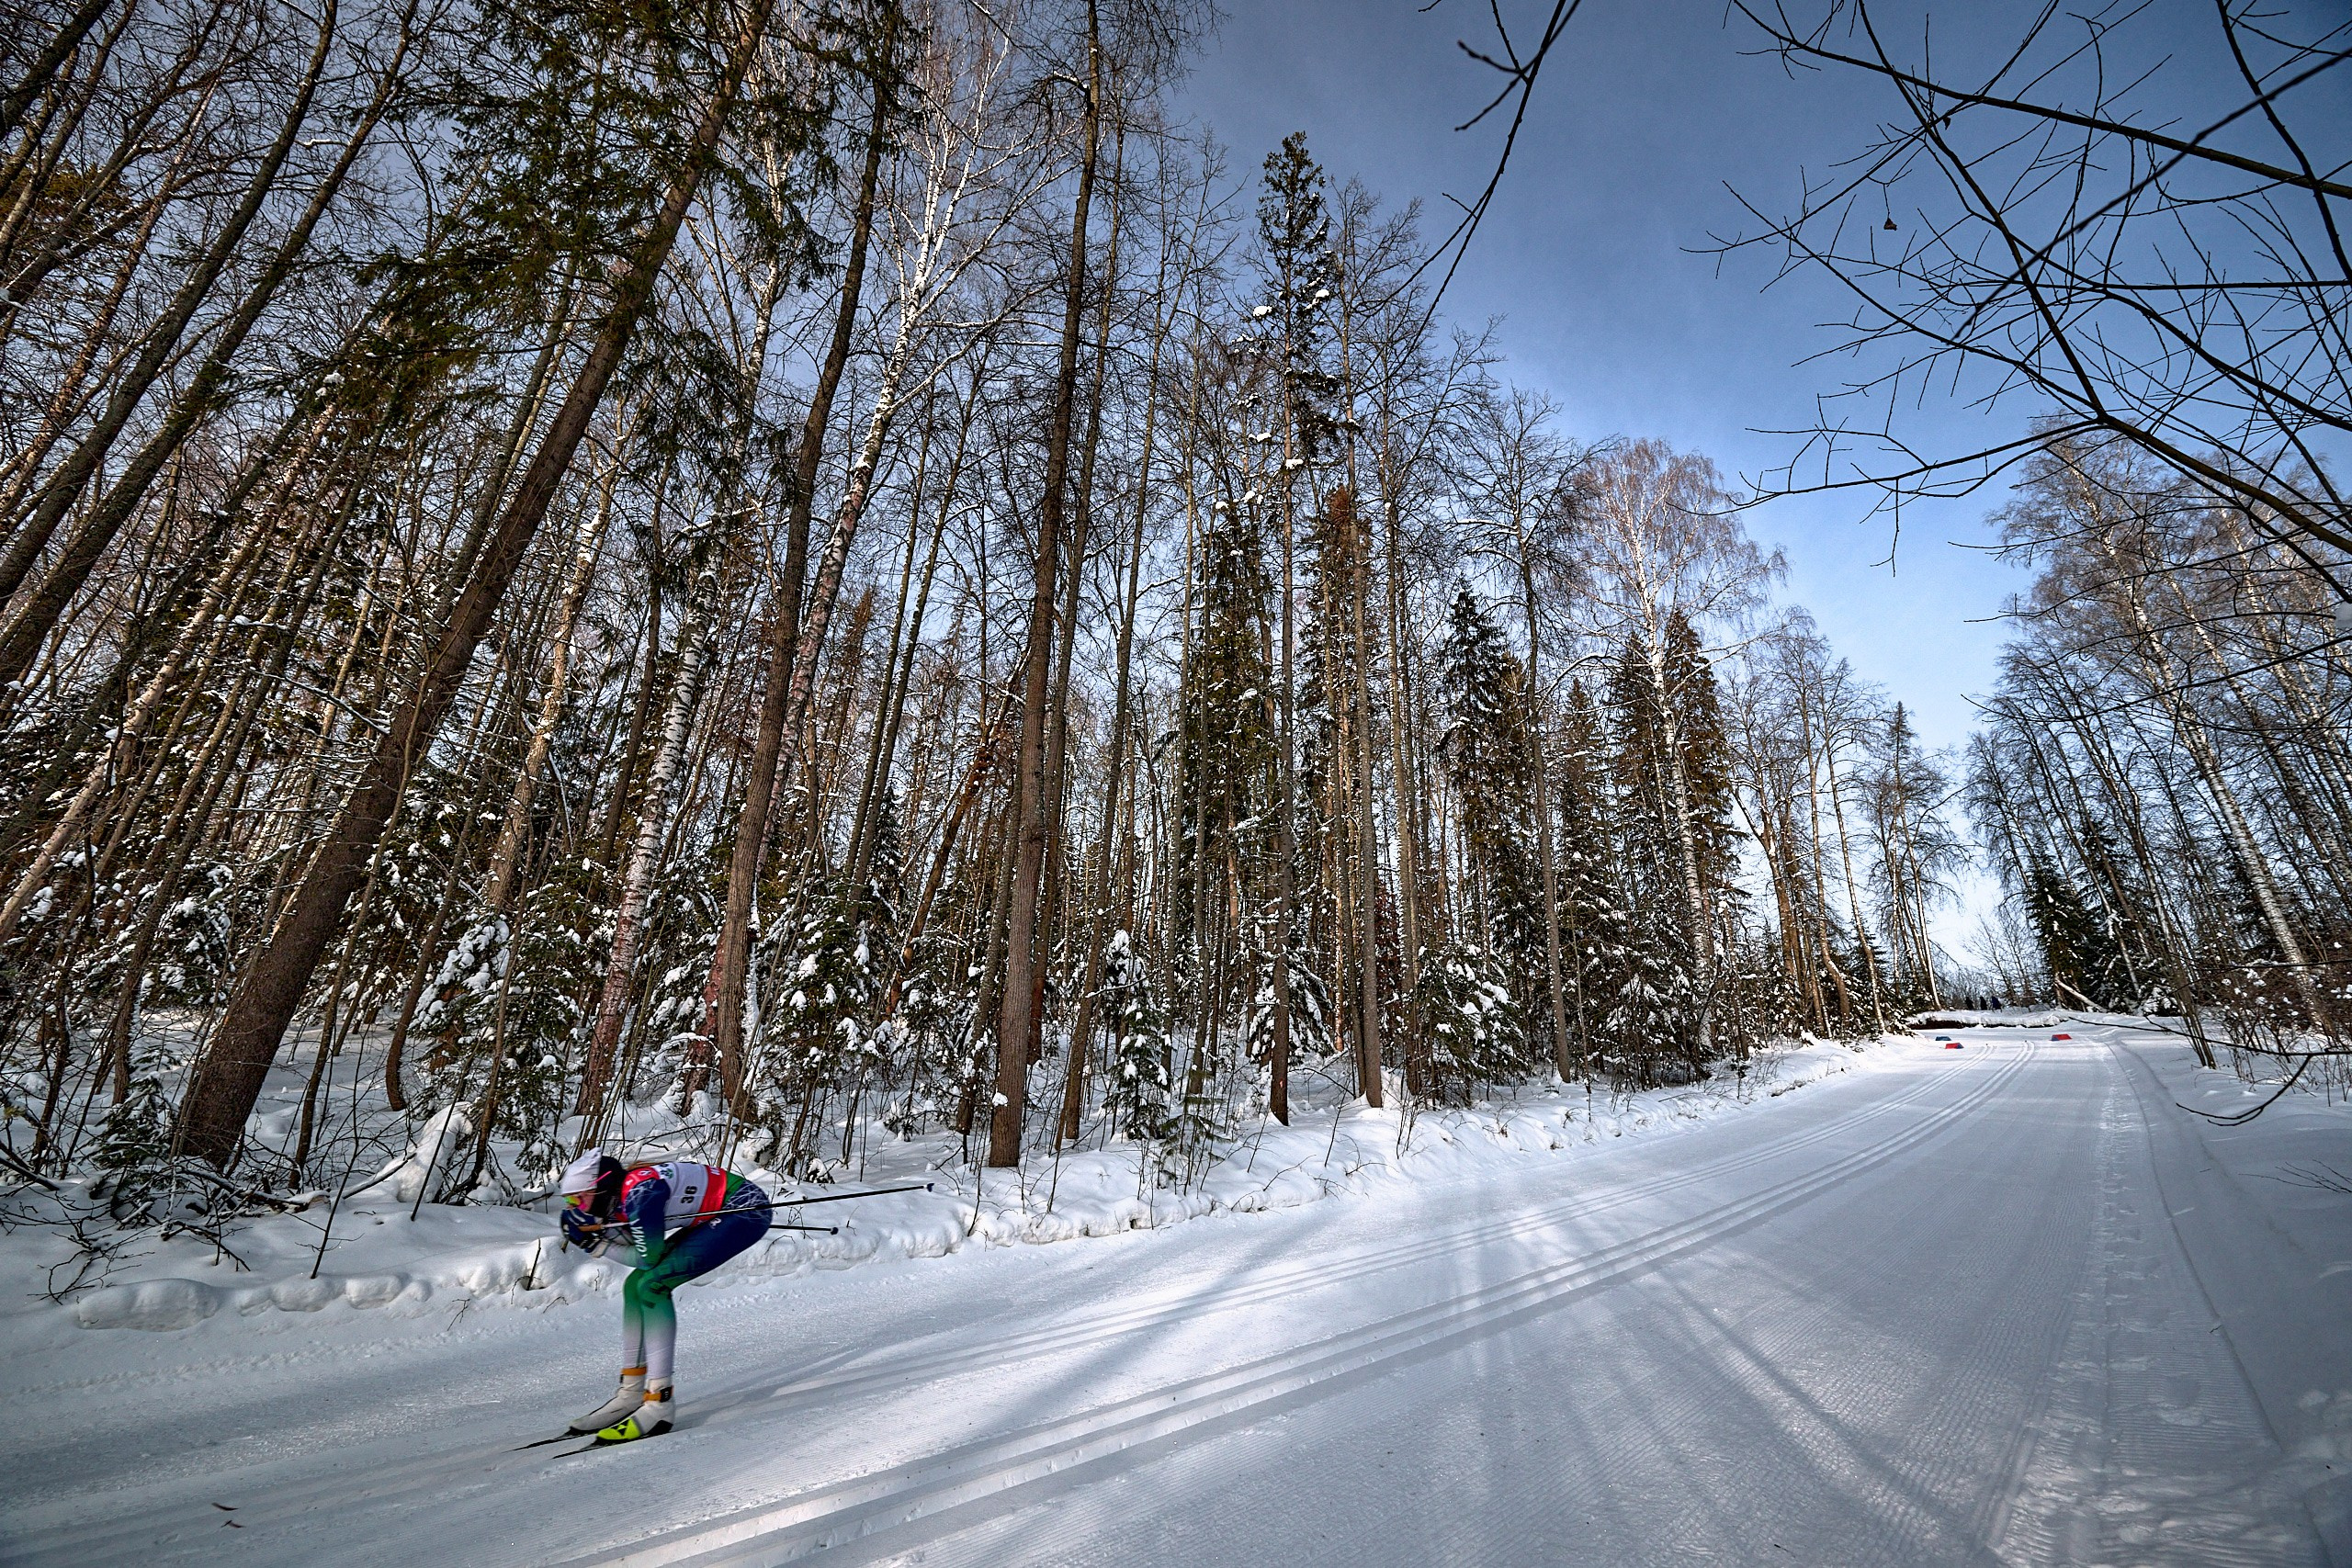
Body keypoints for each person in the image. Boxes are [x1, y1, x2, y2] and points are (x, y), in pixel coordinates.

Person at [557, 1148, 772, 1441]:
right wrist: (597, 1232)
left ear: (602, 1188)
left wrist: (598, 1246)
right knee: (634, 1287)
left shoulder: (641, 1196)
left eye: (577, 1198)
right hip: (713, 1212)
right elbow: (632, 1238)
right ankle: (631, 1393)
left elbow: (647, 1257)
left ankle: (659, 1402)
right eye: (569, 1200)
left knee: (653, 1285)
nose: (574, 1206)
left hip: (743, 1209)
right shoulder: (619, 1196)